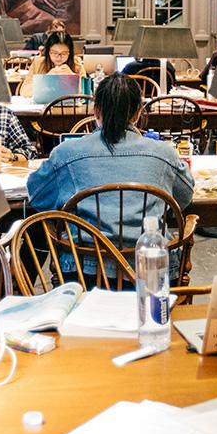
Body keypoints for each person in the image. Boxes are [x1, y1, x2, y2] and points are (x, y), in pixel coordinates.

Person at [27, 74, 194, 276]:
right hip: (150, 272)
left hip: (84, 270)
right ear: (138, 113)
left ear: (95, 110)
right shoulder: (164, 153)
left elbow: (37, 197)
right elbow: (184, 198)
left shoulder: (67, 153)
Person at [19, 31, 86, 97]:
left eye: (64, 53)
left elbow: (85, 92)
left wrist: (71, 76)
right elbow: (24, 91)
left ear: (70, 53)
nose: (59, 57)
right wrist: (47, 78)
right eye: (54, 53)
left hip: (70, 106)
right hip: (43, 105)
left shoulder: (76, 63)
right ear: (48, 51)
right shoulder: (38, 63)